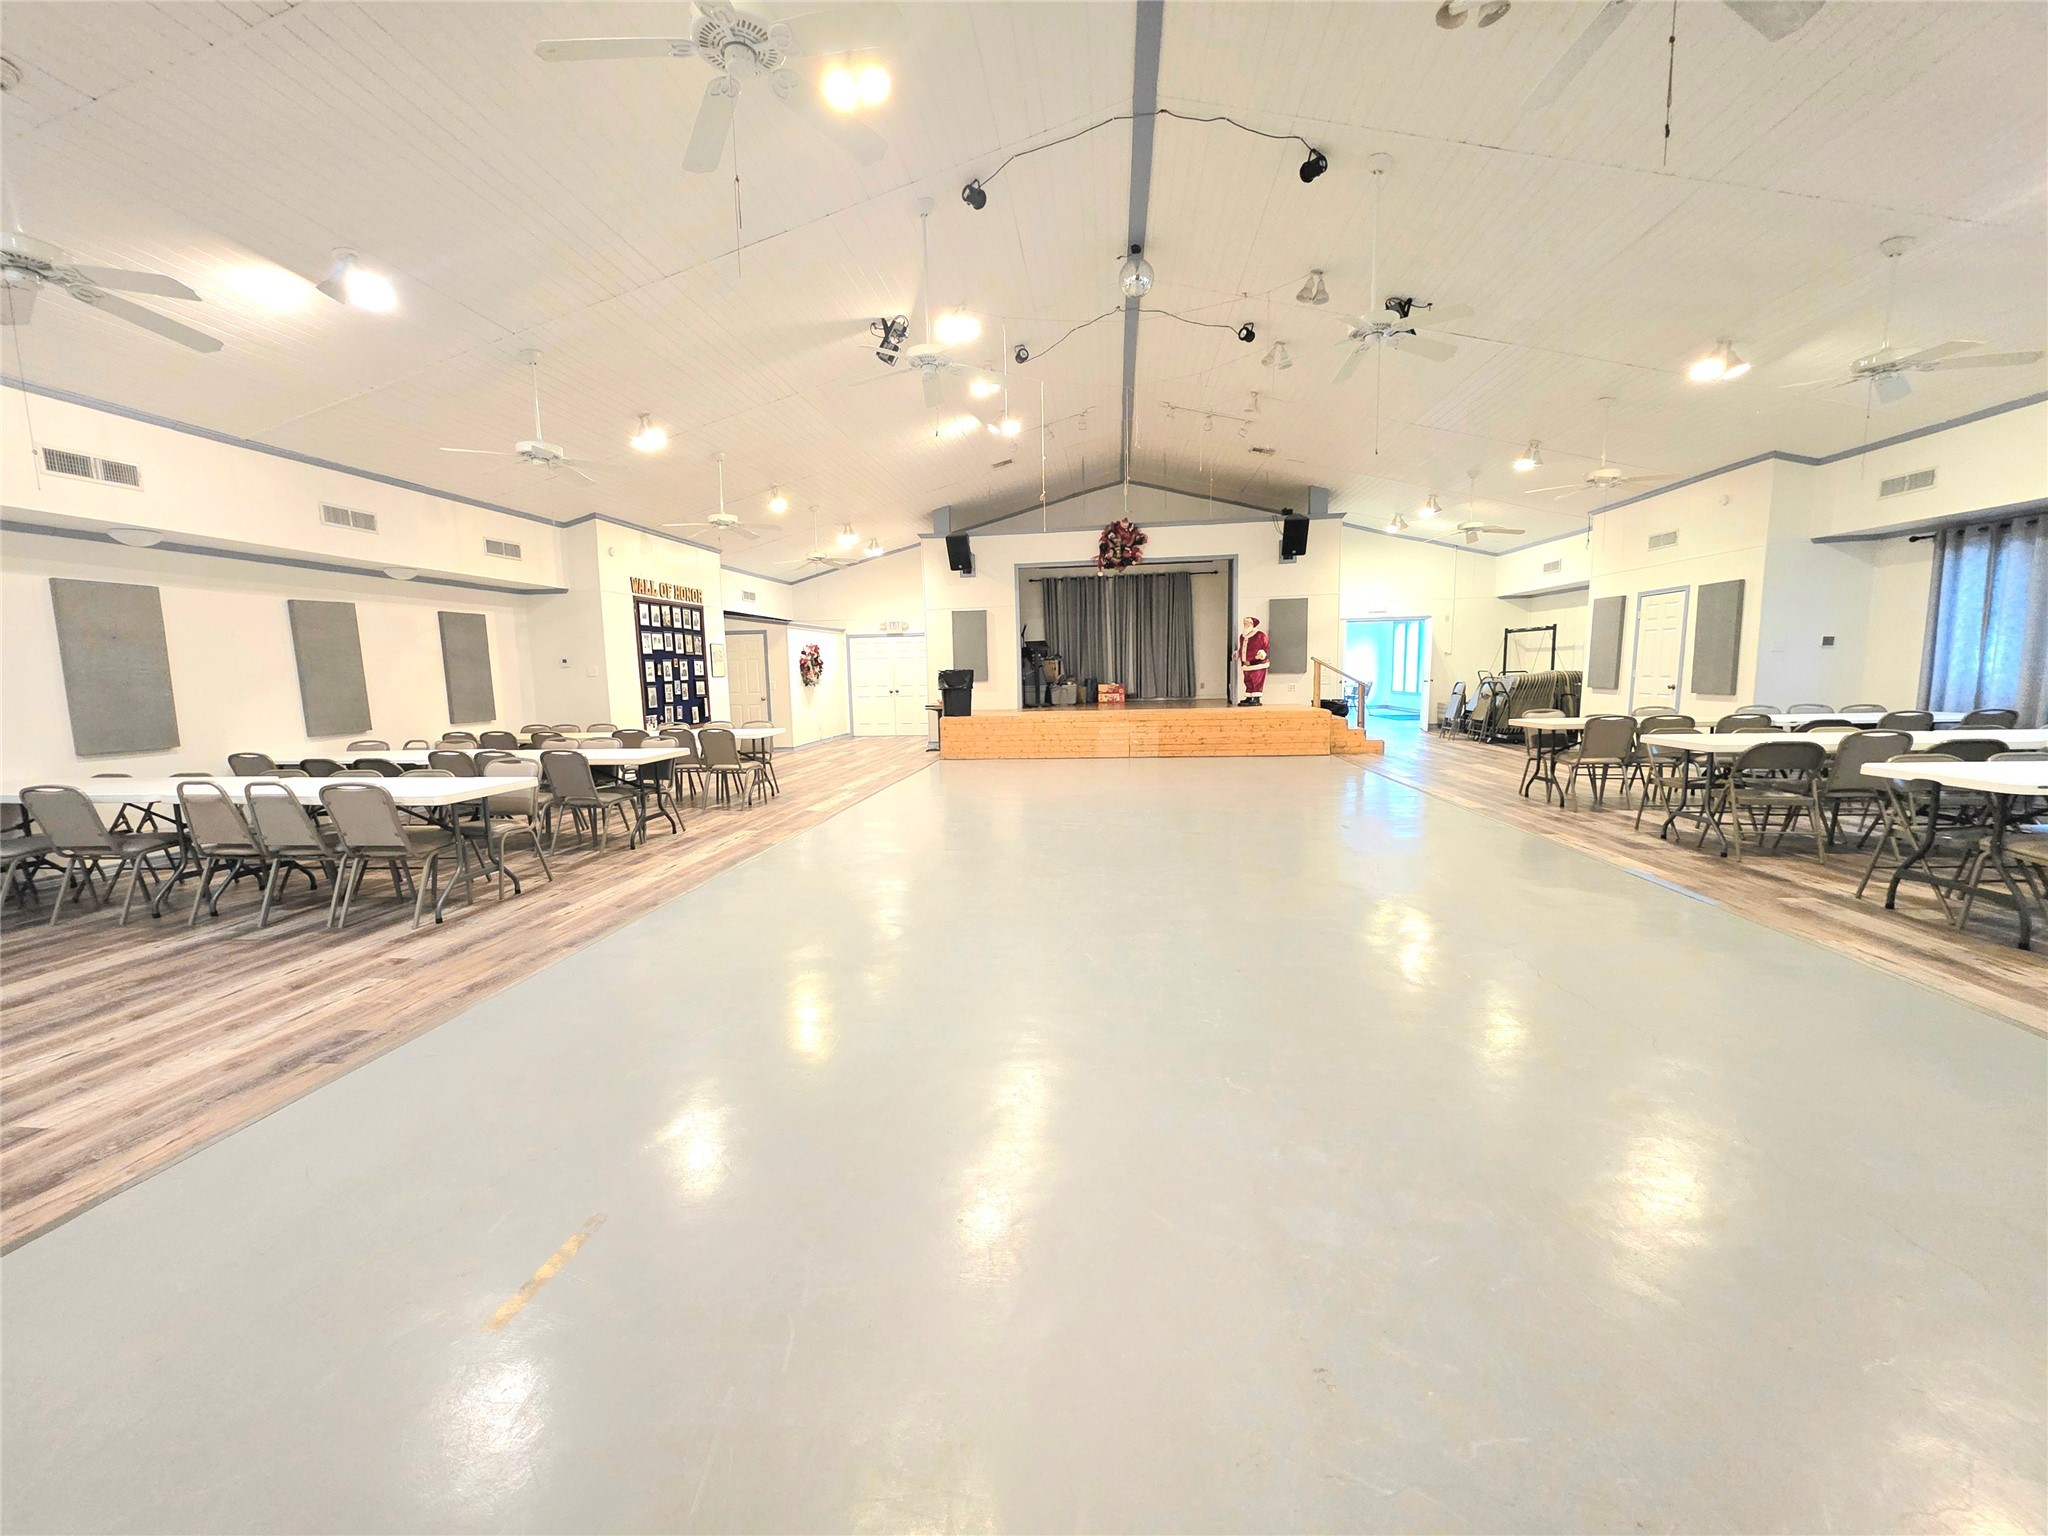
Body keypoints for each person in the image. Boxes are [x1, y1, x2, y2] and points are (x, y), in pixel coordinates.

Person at [1237, 615, 1269, 706]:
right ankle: (1249, 696)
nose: (1244, 625)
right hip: (1246, 664)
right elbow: (1243, 648)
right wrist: (1238, 653)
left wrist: (1262, 653)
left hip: (1257, 663)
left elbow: (1265, 647)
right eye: (1244, 623)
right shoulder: (1242, 636)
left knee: (1257, 680)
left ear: (1252, 624)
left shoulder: (1260, 635)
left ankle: (1256, 697)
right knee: (1248, 680)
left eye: (1246, 623)